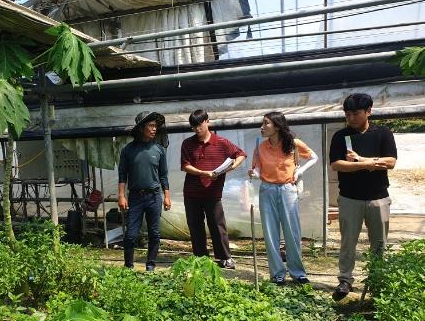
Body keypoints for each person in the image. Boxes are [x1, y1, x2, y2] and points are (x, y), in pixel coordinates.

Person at [329, 93, 397, 300]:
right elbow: (337, 164)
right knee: (348, 241)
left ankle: (376, 280)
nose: (351, 118)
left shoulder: (383, 133)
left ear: (368, 112)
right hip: (350, 198)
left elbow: (391, 162)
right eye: (347, 114)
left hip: (378, 197)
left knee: (379, 243)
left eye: (355, 113)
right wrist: (370, 164)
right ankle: (345, 280)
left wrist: (361, 160)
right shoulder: (341, 136)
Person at [249, 111, 318, 285]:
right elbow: (257, 169)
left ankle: (297, 272)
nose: (262, 127)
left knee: (292, 232)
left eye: (266, 123)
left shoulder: (294, 143)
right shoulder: (260, 147)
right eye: (262, 123)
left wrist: (300, 171)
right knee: (270, 233)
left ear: (277, 126)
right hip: (267, 190)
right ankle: (277, 274)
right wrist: (254, 173)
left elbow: (313, 157)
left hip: (288, 190)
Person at [180, 109, 247, 269]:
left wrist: (231, 167)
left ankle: (225, 257)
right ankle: (201, 258)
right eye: (193, 126)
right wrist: (203, 173)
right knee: (195, 226)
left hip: (213, 192)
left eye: (199, 125)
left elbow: (241, 154)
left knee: (217, 225)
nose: (197, 129)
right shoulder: (188, 143)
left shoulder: (221, 142)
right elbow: (185, 165)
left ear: (207, 122)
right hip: (192, 193)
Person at [118, 111, 172, 271]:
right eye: (151, 126)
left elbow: (163, 175)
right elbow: (122, 174)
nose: (154, 129)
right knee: (131, 235)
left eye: (156, 126)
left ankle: (150, 265)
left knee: (154, 233)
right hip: (135, 197)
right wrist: (121, 196)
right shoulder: (128, 150)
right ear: (141, 128)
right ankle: (128, 267)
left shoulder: (159, 150)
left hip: (154, 196)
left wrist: (167, 196)